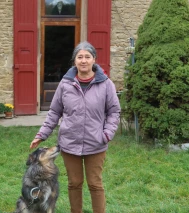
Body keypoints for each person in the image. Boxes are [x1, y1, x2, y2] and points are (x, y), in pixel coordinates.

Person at [30, 41, 121, 213]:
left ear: (94, 60)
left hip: (96, 143)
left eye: (88, 57)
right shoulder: (65, 84)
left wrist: (107, 134)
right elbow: (54, 112)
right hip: (70, 143)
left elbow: (114, 111)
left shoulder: (106, 84)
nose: (84, 60)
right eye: (80, 57)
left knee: (95, 184)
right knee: (74, 183)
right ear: (74, 61)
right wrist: (41, 135)